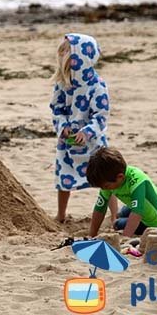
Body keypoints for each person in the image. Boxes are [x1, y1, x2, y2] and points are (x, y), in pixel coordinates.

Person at [49, 33, 117, 223]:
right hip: (68, 142)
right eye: (61, 52)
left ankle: (114, 216)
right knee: (63, 178)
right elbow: (57, 109)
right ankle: (61, 215)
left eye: (66, 52)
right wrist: (62, 126)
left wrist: (87, 132)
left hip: (93, 143)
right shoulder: (63, 84)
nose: (62, 56)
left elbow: (101, 115)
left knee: (106, 179)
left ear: (81, 57)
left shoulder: (97, 85)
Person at [86, 147, 157, 238]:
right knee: (121, 214)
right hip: (140, 204)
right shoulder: (110, 177)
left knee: (117, 224)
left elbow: (137, 213)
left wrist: (124, 239)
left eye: (106, 186)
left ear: (120, 177)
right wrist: (91, 235)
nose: (104, 189)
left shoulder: (137, 180)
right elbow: (99, 209)